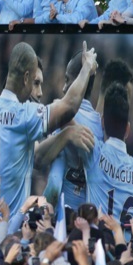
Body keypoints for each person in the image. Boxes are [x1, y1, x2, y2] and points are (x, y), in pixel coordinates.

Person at [0, 41, 97, 216]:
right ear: (26, 78)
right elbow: (69, 105)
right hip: (8, 230)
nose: (39, 93)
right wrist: (87, 67)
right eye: (34, 82)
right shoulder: (23, 115)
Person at [39, 51, 101, 210]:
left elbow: (53, 184)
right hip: (86, 221)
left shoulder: (61, 117)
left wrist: (42, 215)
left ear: (79, 81)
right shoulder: (100, 127)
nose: (64, 87)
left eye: (67, 80)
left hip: (61, 220)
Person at [81, 82, 133, 223]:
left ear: (102, 123)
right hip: (129, 245)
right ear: (127, 129)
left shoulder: (94, 151)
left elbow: (67, 115)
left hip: (97, 242)